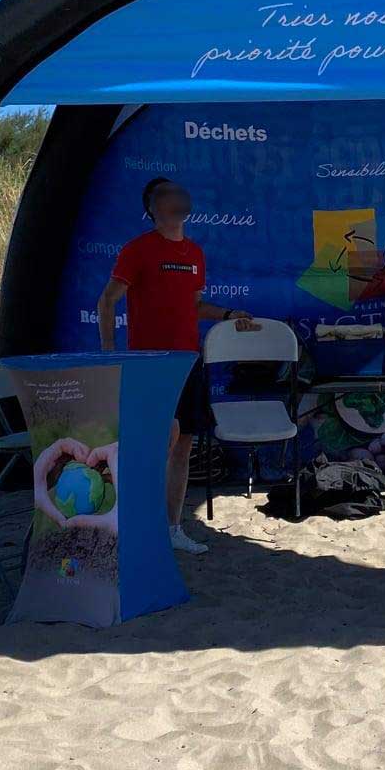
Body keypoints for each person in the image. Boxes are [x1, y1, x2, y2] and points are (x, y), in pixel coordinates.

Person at [98, 177, 257, 555]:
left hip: (186, 362)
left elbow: (194, 306)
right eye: (164, 196)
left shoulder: (195, 254)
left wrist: (229, 313)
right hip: (148, 365)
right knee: (156, 443)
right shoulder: (137, 250)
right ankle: (140, 527)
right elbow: (107, 302)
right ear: (152, 208)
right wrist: (109, 353)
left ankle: (172, 529)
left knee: (183, 447)